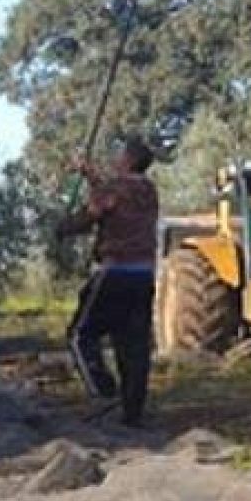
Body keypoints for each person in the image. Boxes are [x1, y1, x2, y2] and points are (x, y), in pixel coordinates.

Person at [55, 136, 160, 427]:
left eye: (119, 154)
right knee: (133, 344)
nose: (116, 159)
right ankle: (132, 412)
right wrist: (90, 174)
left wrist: (63, 228)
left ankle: (103, 390)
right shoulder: (149, 190)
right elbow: (115, 199)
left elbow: (90, 216)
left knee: (80, 335)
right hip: (144, 275)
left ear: (128, 159)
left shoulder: (115, 188)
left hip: (115, 272)